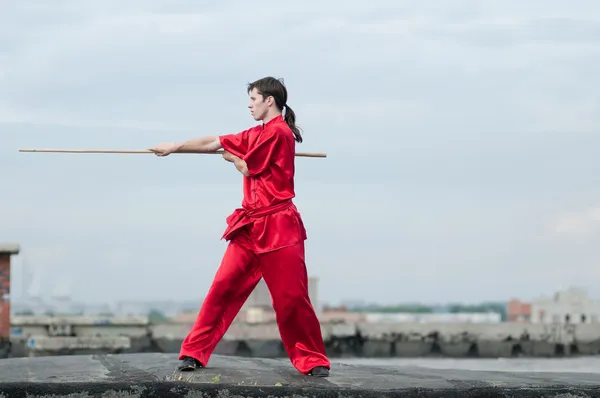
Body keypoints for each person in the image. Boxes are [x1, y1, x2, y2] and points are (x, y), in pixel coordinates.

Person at [148, 76, 331, 377]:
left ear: (269, 100)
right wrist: (174, 146)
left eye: (253, 99)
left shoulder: (280, 134)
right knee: (222, 288)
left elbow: (246, 166)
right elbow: (212, 142)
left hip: (280, 227)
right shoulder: (254, 134)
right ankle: (193, 352)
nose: (249, 105)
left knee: (291, 299)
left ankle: (313, 360)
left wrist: (233, 157)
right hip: (250, 227)